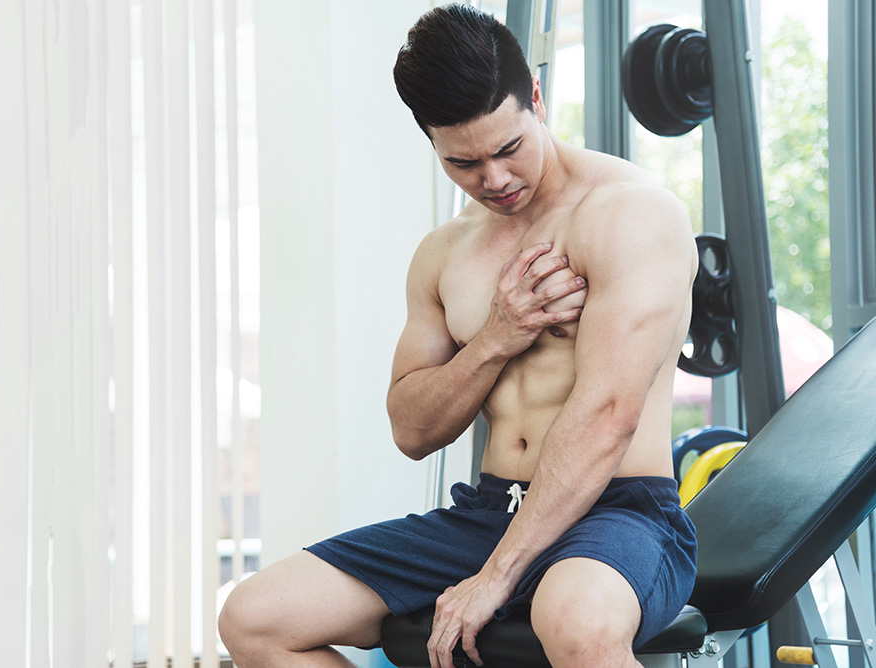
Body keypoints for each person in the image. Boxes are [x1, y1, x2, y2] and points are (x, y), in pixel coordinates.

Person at [219, 4, 698, 667]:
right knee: (253, 618)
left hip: (618, 511)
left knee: (579, 623)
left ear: (534, 96)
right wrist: (497, 338)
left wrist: (495, 578)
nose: (494, 180)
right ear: (431, 140)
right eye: (464, 163)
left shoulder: (632, 214)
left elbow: (609, 416)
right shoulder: (445, 253)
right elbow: (412, 431)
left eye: (508, 149)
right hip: (488, 510)